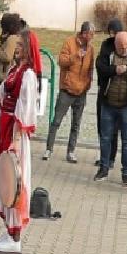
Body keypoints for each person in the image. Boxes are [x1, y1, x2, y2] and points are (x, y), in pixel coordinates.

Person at [0, 27, 41, 253]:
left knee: (15, 181)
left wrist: (16, 139)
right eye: (17, 45)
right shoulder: (14, 70)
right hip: (6, 127)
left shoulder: (28, 75)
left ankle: (16, 236)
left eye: (21, 45)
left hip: (14, 133)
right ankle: (9, 230)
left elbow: (26, 109)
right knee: (5, 178)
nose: (17, 49)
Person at [94, 30, 127, 186]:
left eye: (126, 45)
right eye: (121, 46)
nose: (124, 49)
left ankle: (126, 173)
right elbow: (99, 67)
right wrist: (114, 70)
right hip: (108, 104)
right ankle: (103, 168)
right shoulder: (108, 53)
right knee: (105, 138)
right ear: (116, 44)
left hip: (126, 106)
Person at [46, 22, 95, 162]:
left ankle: (71, 151)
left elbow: (91, 68)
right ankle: (49, 149)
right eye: (90, 34)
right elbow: (61, 61)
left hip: (81, 91)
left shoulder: (91, 48)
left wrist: (88, 84)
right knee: (56, 120)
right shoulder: (69, 42)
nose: (92, 37)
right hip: (67, 90)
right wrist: (75, 56)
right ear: (84, 33)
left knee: (76, 124)